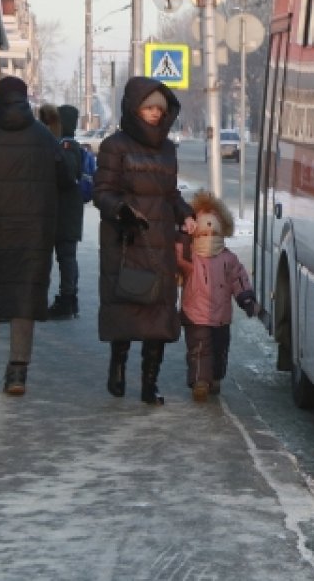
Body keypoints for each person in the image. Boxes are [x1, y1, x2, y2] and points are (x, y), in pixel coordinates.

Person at [0, 76, 70, 395]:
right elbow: (65, 177)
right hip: (32, 234)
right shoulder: (44, 137)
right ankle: (18, 373)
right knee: (24, 299)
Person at [93, 77, 195, 405]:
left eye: (159, 109)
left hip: (160, 243)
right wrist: (122, 211)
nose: (154, 114)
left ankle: (150, 383)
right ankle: (118, 366)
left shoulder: (167, 148)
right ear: (134, 109)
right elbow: (102, 192)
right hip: (127, 239)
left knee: (159, 315)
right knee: (126, 308)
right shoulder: (115, 146)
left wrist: (185, 214)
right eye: (148, 107)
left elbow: (170, 193)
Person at [175, 189, 259, 402]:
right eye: (203, 232)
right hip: (195, 313)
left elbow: (239, 279)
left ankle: (215, 377)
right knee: (199, 349)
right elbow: (175, 259)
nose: (209, 235)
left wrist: (246, 298)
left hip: (221, 316)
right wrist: (181, 237)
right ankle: (199, 382)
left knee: (220, 349)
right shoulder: (189, 256)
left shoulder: (228, 259)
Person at [44, 104, 86, 319]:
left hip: (64, 213)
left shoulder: (66, 146)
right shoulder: (69, 145)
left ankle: (67, 300)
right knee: (66, 257)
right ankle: (69, 300)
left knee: (65, 258)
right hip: (66, 212)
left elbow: (67, 176)